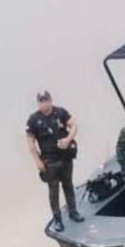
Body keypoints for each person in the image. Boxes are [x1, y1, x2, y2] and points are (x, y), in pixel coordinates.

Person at [25, 91, 84, 232]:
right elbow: (30, 142)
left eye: (46, 100)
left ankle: (73, 211)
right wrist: (37, 161)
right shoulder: (33, 120)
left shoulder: (60, 112)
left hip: (65, 157)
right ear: (38, 103)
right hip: (49, 160)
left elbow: (74, 125)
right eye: (41, 101)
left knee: (68, 185)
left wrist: (68, 139)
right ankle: (57, 218)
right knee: (53, 190)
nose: (44, 103)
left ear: (51, 100)